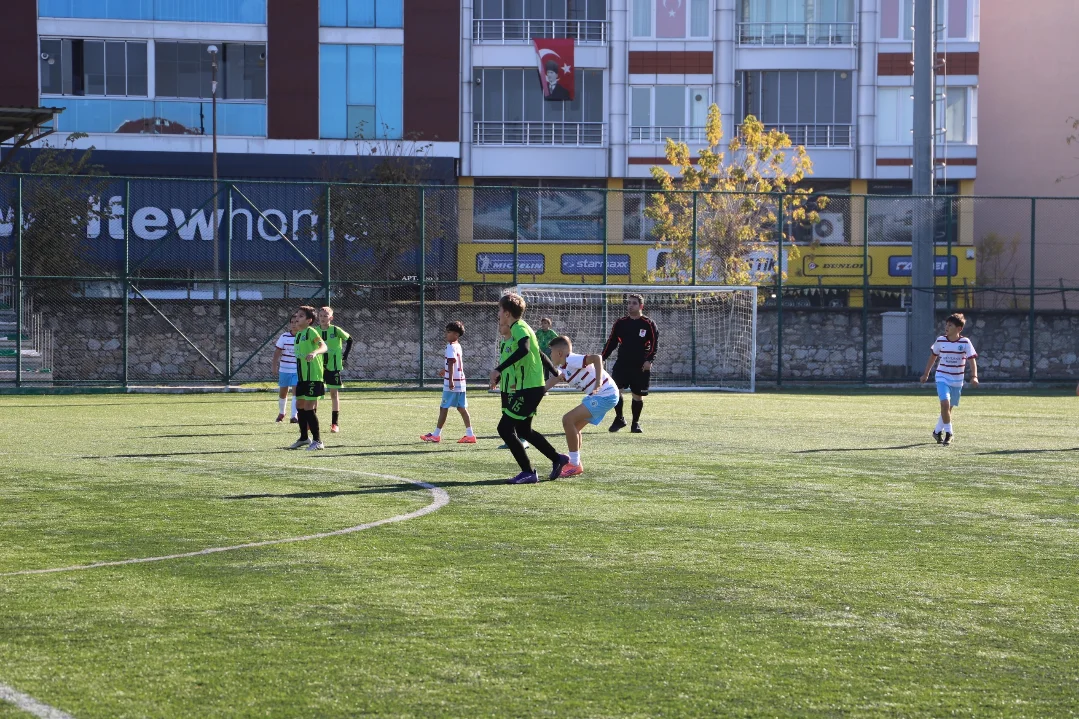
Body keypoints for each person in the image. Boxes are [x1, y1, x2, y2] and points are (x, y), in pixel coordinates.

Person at [488, 293, 568, 484]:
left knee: (505, 429)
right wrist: (554, 371)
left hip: (529, 388)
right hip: (531, 387)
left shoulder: (518, 327)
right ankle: (557, 458)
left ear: (507, 313)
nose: (498, 314)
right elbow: (538, 353)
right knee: (524, 430)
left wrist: (498, 369)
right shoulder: (523, 328)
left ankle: (528, 472)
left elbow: (524, 349)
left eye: (500, 310)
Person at [545, 335, 620, 478]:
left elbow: (597, 358)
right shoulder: (563, 368)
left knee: (568, 420)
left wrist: (598, 382)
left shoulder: (571, 359)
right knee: (574, 427)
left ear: (559, 353)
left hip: (605, 395)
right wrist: (533, 394)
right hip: (602, 396)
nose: (550, 355)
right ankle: (575, 463)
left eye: (551, 352)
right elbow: (550, 382)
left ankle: (574, 464)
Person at [602, 293, 659, 433]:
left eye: (634, 303)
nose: (630, 305)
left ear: (641, 306)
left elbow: (654, 344)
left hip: (640, 365)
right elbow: (611, 342)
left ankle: (635, 423)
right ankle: (619, 418)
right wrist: (602, 358)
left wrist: (649, 360)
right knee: (616, 391)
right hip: (622, 363)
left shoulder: (649, 324)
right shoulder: (620, 323)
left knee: (637, 395)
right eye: (629, 303)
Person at [920, 313, 979, 446]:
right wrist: (926, 374)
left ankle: (936, 431)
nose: (947, 327)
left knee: (948, 409)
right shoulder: (940, 340)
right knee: (945, 404)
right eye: (946, 325)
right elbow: (933, 357)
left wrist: (974, 376)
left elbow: (972, 360)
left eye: (950, 325)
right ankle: (949, 433)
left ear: (959, 329)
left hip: (957, 380)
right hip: (942, 377)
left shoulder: (965, 342)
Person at [421, 321, 476, 444]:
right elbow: (453, 363)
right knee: (461, 408)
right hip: (461, 382)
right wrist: (445, 370)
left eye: (449, 332)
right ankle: (470, 435)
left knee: (443, 407)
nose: (446, 334)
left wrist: (450, 379)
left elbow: (451, 362)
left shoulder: (450, 346)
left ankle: (436, 435)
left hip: (453, 383)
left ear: (456, 334)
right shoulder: (458, 345)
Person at [289, 305, 328, 451]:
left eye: (300, 316)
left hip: (313, 376)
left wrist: (315, 352)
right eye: (296, 315)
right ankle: (304, 438)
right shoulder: (298, 335)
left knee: (308, 407)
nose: (296, 318)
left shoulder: (311, 332)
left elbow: (323, 346)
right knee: (299, 405)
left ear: (309, 320)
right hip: (302, 377)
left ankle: (318, 441)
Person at [318, 306, 353, 434]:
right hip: (319, 367)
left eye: (325, 316)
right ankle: (312, 423)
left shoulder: (335, 330)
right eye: (320, 316)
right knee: (316, 395)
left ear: (331, 318)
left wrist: (345, 356)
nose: (322, 318)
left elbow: (349, 339)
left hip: (333, 367)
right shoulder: (315, 331)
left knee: (334, 394)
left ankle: (334, 424)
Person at [495, 314, 528, 451]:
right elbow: (503, 363)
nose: (500, 327)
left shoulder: (515, 343)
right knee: (506, 412)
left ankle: (523, 439)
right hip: (505, 384)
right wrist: (498, 378)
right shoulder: (503, 343)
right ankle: (511, 439)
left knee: (515, 412)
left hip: (514, 383)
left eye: (503, 325)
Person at [271, 314, 300, 424]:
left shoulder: (302, 337)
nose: (294, 324)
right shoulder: (284, 336)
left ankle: (294, 416)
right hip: (284, 369)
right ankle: (282, 412)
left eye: (296, 322)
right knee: (283, 392)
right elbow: (277, 352)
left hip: (297, 370)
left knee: (296, 393)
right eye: (292, 322)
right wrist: (274, 365)